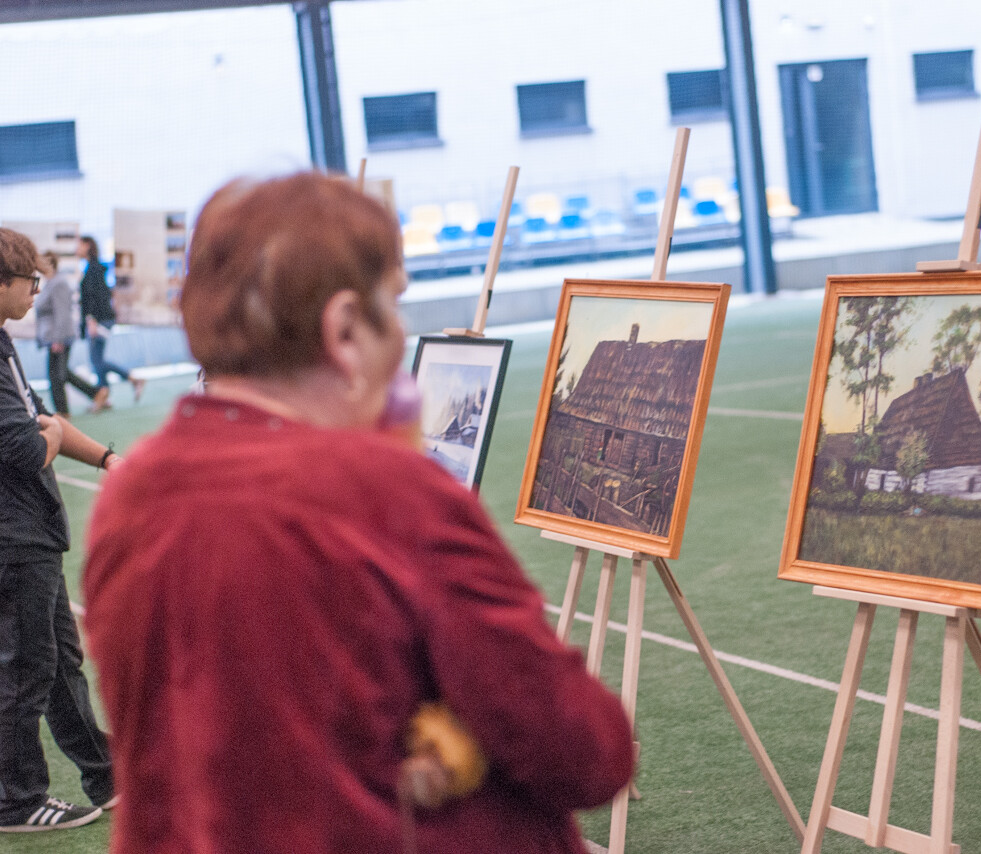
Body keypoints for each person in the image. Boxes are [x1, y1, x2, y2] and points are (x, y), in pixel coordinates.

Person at [84, 172, 634, 854]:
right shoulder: (382, 491)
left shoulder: (130, 493)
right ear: (344, 328)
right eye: (393, 304)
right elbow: (583, 749)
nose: (402, 334)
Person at [0, 227, 121, 833]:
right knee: (26, 668)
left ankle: (103, 771)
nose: (35, 294)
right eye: (30, 284)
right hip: (14, 537)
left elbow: (37, 426)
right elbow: (26, 448)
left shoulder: (3, 342)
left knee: (59, 662)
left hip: (33, 534)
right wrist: (47, 431)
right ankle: (17, 800)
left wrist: (106, 458)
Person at [34, 251, 108, 417]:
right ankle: (95, 393)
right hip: (53, 336)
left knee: (56, 376)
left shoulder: (58, 283)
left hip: (59, 336)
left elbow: (62, 313)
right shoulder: (51, 282)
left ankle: (63, 411)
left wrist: (58, 339)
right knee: (61, 373)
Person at [77, 236, 143, 410]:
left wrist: (91, 320)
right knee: (98, 359)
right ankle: (104, 396)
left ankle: (132, 378)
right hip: (102, 319)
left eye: (79, 245)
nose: (76, 248)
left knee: (96, 361)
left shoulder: (94, 269)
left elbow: (93, 298)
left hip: (100, 321)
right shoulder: (94, 268)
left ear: (87, 245)